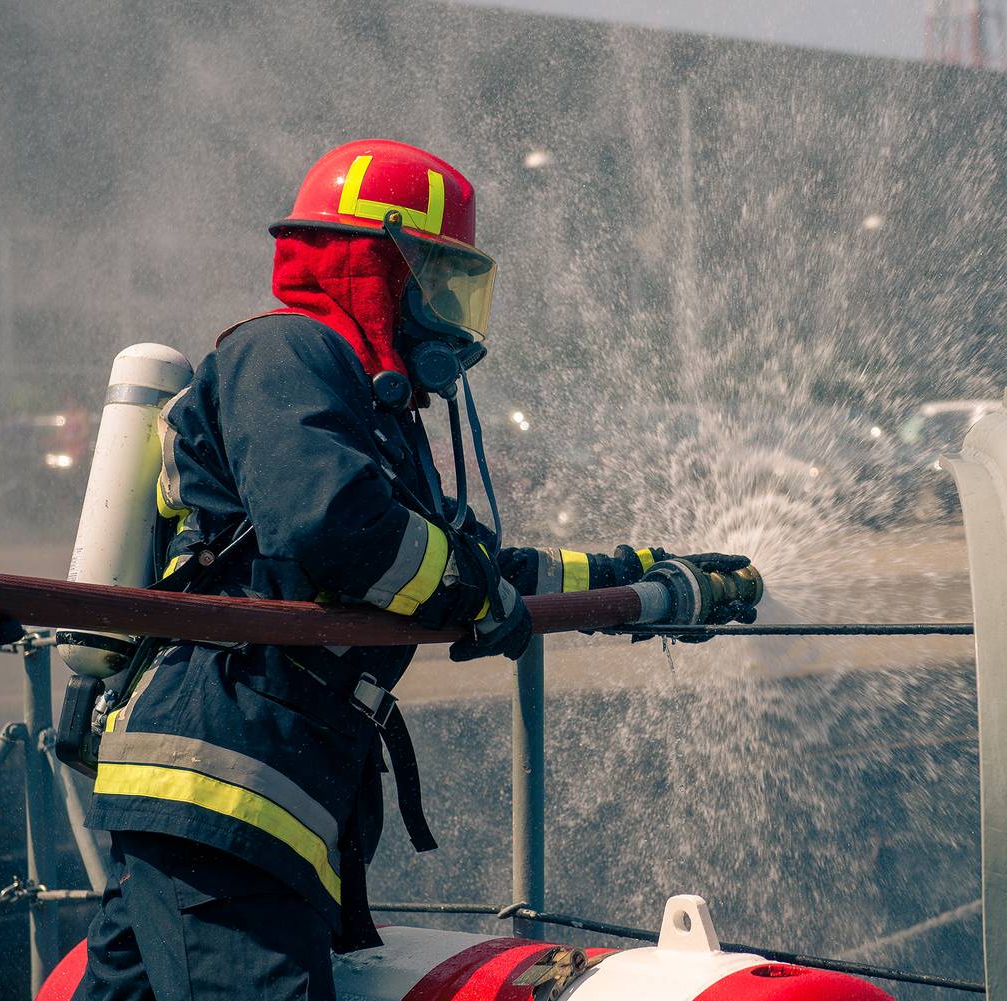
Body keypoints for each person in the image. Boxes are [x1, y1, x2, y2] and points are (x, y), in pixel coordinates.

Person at [71, 139, 752, 1001]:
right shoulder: (284, 351)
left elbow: (484, 565)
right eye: (439, 280)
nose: (455, 318)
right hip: (223, 790)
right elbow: (331, 524)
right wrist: (474, 590)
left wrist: (642, 580)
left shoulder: (370, 409)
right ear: (374, 267)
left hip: (236, 798)